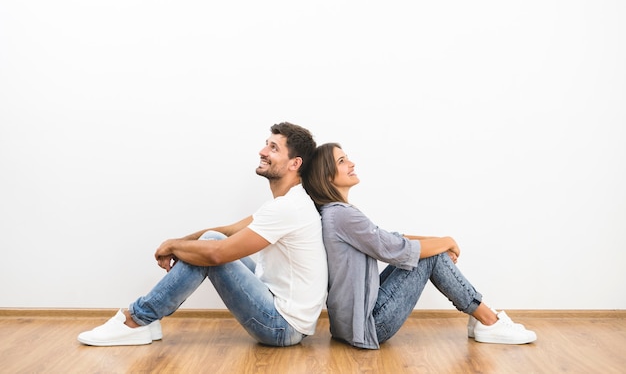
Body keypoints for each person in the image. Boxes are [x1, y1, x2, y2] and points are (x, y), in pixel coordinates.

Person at [78, 122, 327, 347]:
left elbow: (218, 255)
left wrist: (173, 246)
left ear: (295, 164)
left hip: (282, 326)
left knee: (212, 252)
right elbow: (228, 232)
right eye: (265, 145)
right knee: (211, 238)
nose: (262, 152)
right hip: (282, 311)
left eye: (273, 148)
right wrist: (179, 242)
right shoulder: (288, 202)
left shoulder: (287, 208)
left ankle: (136, 320)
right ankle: (146, 319)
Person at [301, 142, 537, 350]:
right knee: (428, 256)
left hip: (350, 324)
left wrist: (437, 241)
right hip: (369, 324)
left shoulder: (335, 213)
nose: (351, 163)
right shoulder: (342, 216)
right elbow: (395, 249)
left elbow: (387, 237)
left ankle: (480, 319)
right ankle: (488, 321)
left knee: (428, 252)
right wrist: (445, 243)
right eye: (342, 161)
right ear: (327, 176)